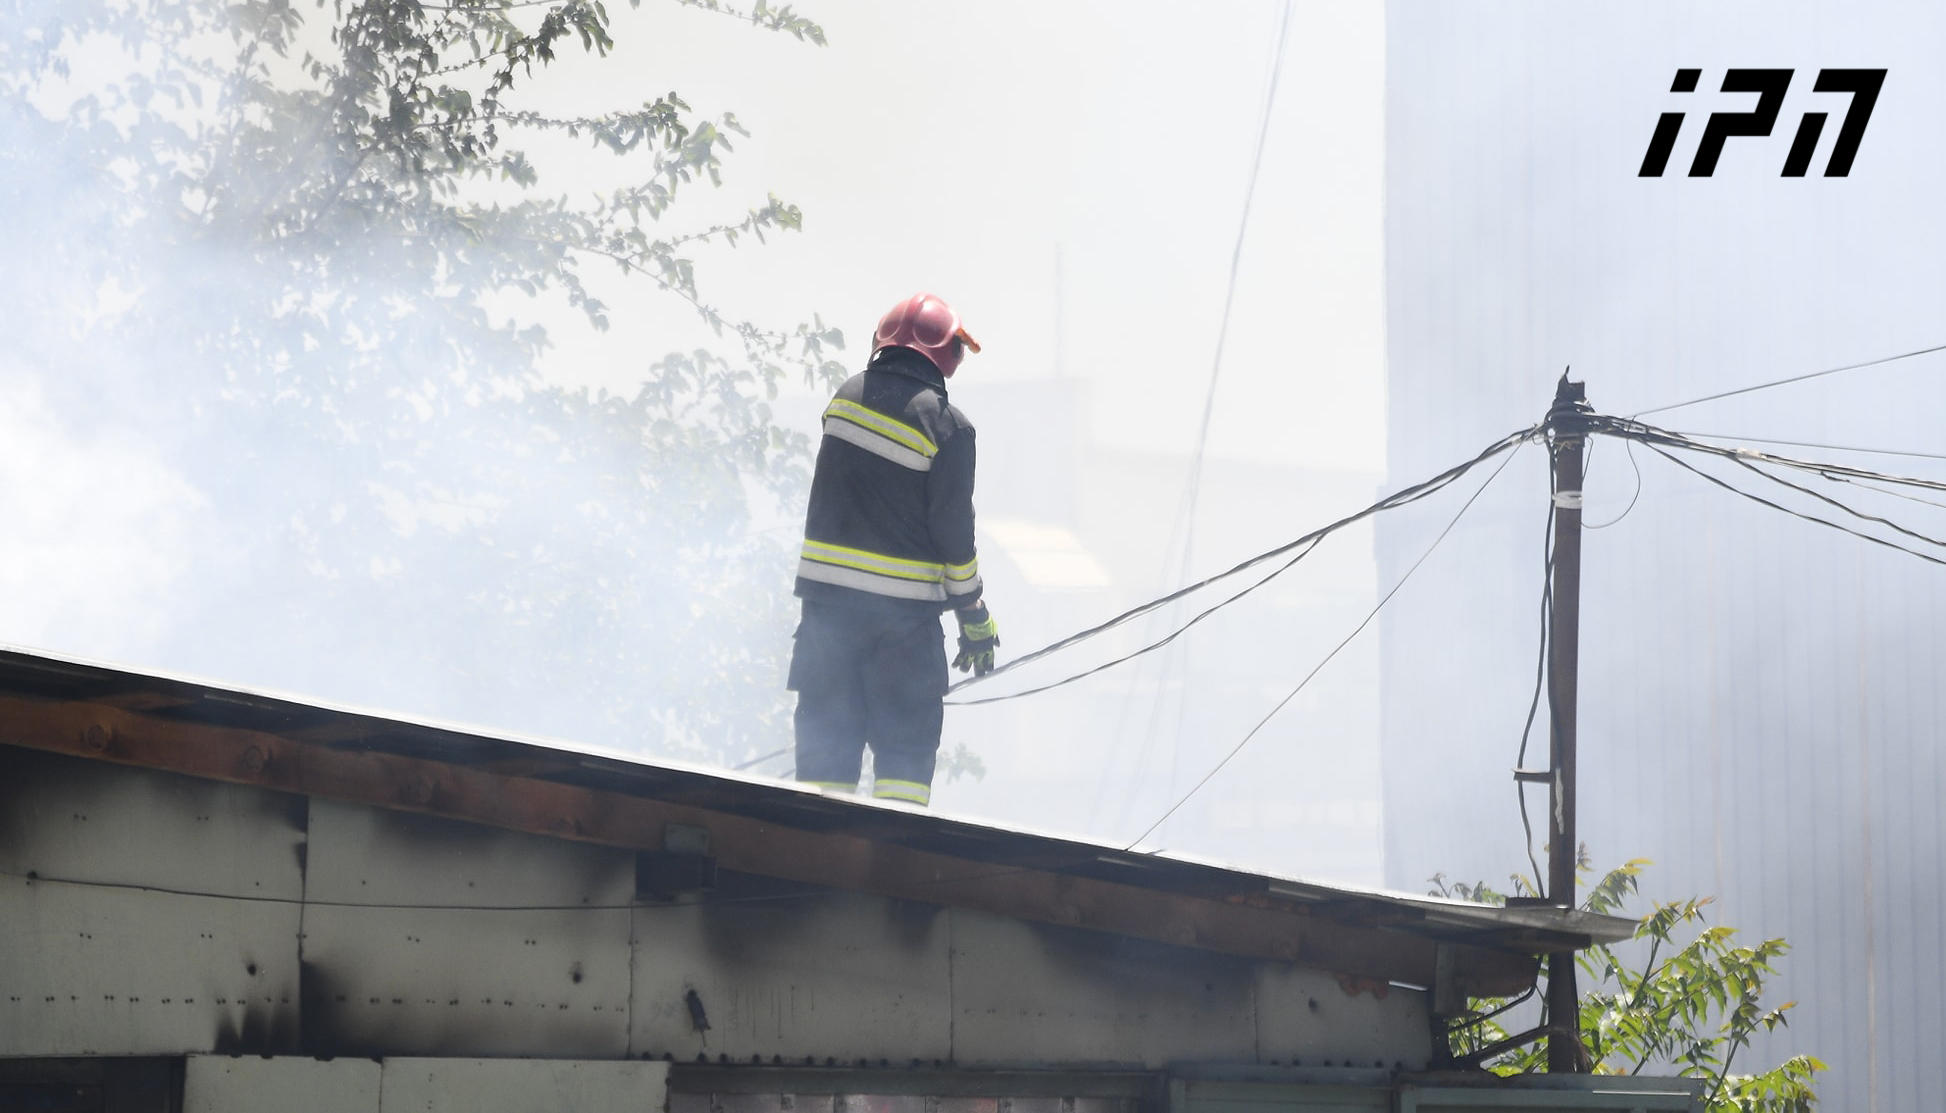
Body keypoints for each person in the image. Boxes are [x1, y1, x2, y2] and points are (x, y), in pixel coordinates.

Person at [788, 292, 999, 807]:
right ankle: (888, 867)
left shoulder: (845, 398)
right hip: (901, 630)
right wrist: (973, 613)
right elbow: (953, 532)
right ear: (947, 354)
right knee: (904, 766)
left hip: (826, 620)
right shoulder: (947, 426)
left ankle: (813, 858)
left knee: (824, 772)